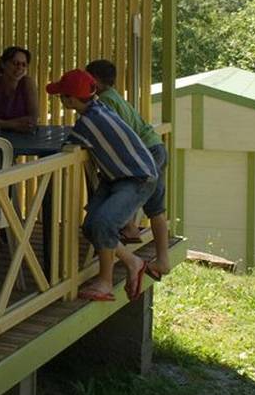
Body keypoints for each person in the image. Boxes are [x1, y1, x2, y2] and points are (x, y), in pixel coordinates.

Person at [47, 68, 159, 302]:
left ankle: (105, 283)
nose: (59, 99)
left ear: (70, 98)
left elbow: (65, 144)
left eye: (61, 95)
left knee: (103, 223)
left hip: (137, 178)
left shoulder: (88, 123)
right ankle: (133, 263)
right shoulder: (99, 108)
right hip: (117, 177)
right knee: (91, 227)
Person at [85, 59, 172, 280]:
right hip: (155, 147)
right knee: (156, 209)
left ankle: (131, 229)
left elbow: (118, 135)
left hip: (146, 153)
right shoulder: (113, 96)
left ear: (94, 80)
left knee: (131, 191)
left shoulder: (105, 101)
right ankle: (162, 259)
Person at [0, 46, 38, 133]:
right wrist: (15, 125)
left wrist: (1, 123)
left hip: (24, 137)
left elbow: (33, 118)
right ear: (3, 64)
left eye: (24, 65)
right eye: (15, 63)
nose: (20, 67)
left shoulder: (28, 83)